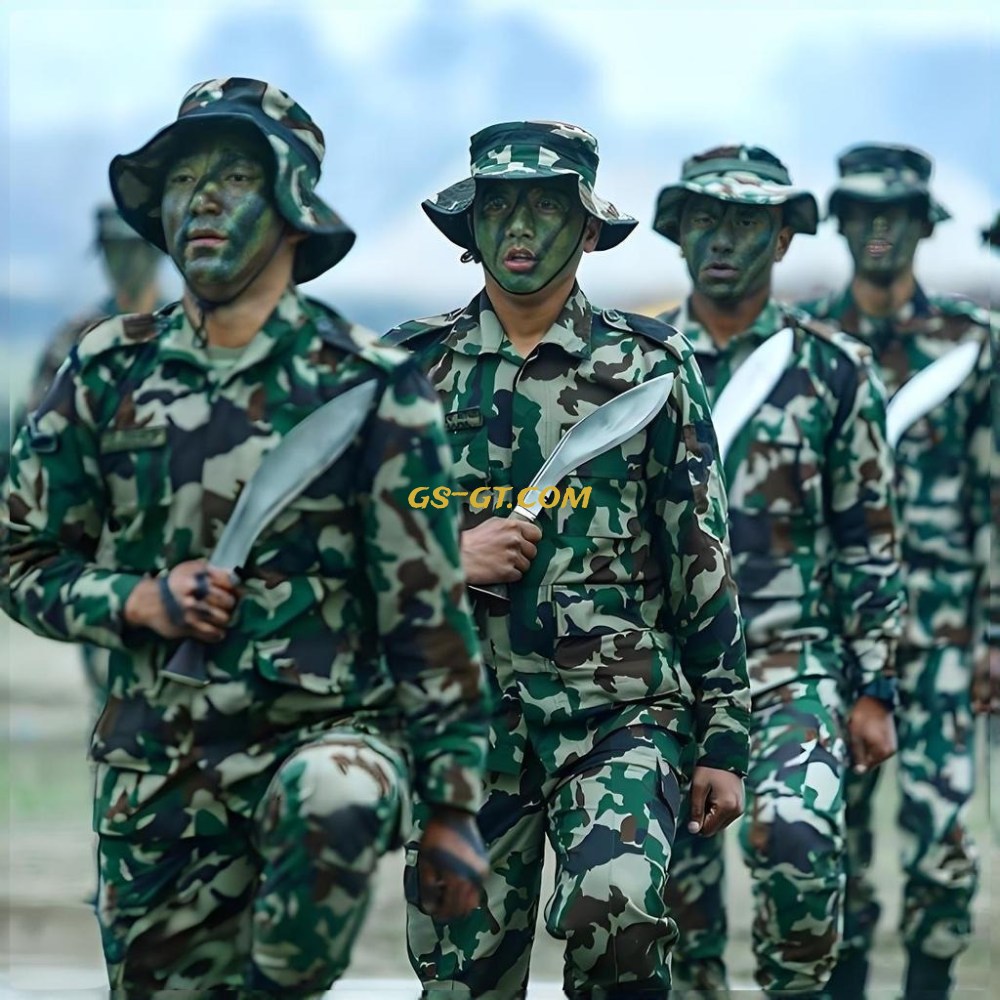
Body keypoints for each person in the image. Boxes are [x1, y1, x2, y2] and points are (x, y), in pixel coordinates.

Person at [1, 76, 490, 998]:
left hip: (328, 739)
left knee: (334, 797)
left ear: (295, 204)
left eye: (235, 174)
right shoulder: (108, 371)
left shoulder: (373, 389)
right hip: (159, 768)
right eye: (183, 180)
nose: (204, 198)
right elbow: (19, 557)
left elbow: (429, 616)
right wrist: (138, 599)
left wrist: (453, 806)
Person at [385, 120, 750, 1000]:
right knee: (462, 976)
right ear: (468, 227)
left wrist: (726, 737)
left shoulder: (648, 367)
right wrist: (449, 554)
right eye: (498, 205)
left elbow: (701, 553)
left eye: (545, 207)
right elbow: (353, 552)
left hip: (619, 712)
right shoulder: (406, 371)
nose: (517, 227)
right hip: (462, 727)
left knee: (615, 912)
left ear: (586, 228)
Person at [650, 144, 905, 998]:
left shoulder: (832, 371)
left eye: (748, 222)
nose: (724, 240)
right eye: (705, 220)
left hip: (793, 665)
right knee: (671, 917)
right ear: (677, 233)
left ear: (787, 239)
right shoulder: (633, 367)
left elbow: (868, 539)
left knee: (799, 848)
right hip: (663, 676)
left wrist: (874, 687)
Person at [800, 143, 997, 1000]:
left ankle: (930, 983)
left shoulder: (971, 344)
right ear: (840, 223)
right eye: (862, 213)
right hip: (834, 625)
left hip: (945, 629)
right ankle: (843, 982)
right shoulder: (804, 344)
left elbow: (995, 495)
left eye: (897, 215)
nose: (879, 230)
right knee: (826, 831)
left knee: (945, 832)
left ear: (923, 225)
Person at [16, 204, 166, 720]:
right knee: (116, 704)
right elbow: (34, 450)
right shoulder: (75, 343)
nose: (125, 263)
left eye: (133, 250)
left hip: (183, 550)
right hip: (104, 557)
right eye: (113, 251)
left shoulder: (194, 330)